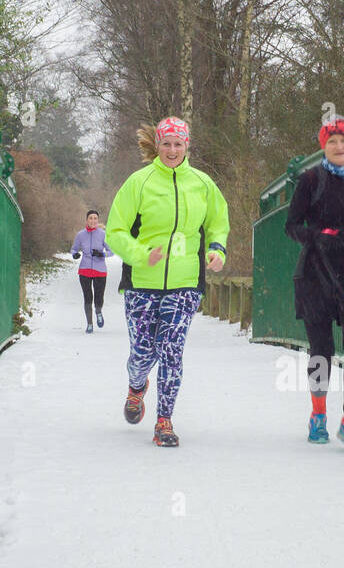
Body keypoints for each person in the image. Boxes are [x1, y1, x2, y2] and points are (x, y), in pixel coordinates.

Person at [104, 116, 229, 447]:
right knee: (143, 351)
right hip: (141, 283)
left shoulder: (202, 184)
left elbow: (218, 222)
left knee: (171, 351)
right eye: (166, 143)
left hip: (185, 283)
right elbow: (114, 231)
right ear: (157, 145)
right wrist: (142, 254)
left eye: (178, 144)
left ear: (187, 146)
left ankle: (164, 421)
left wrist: (217, 250)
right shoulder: (139, 182)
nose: (172, 150)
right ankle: (136, 385)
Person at [284, 115, 344, 453]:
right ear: (323, 146)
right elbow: (291, 225)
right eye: (332, 141)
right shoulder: (311, 180)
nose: (339, 147)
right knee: (322, 350)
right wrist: (317, 235)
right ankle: (318, 414)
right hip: (315, 272)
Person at [71, 210, 115, 333]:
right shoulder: (80, 235)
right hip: (84, 270)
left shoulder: (103, 234)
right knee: (87, 298)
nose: (93, 220)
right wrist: (75, 255)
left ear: (98, 220)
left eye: (95, 218)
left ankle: (98, 311)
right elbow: (74, 249)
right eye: (91, 218)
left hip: (100, 270)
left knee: (99, 297)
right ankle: (89, 324)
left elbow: (112, 251)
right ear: (87, 220)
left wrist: (102, 254)